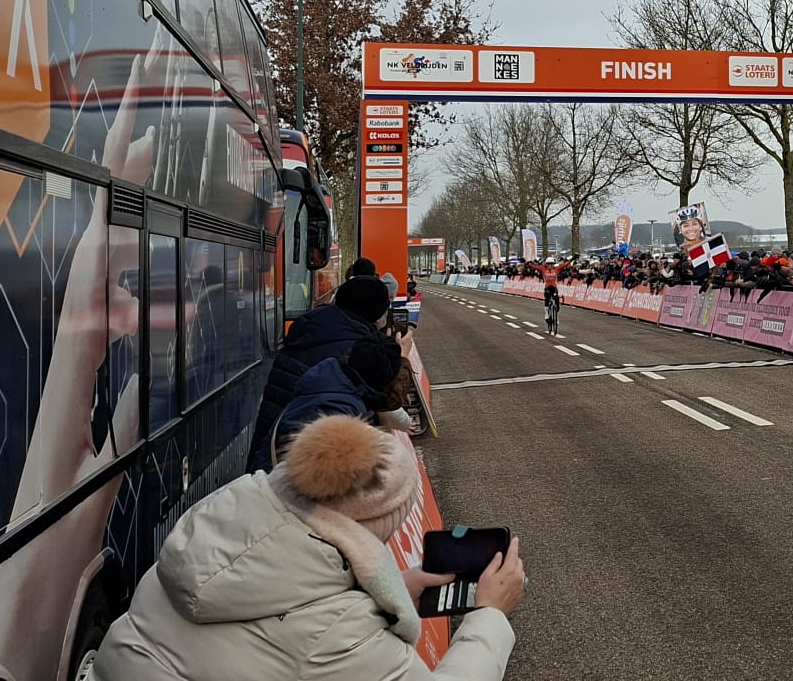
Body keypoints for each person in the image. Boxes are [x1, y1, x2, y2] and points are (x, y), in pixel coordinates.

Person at [94, 416, 523, 679]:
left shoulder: (203, 535)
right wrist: (488, 617)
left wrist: (396, 587)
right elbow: (307, 632)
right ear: (373, 527)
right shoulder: (335, 634)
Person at [250, 273, 393, 469]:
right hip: (302, 471)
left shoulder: (311, 327)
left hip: (268, 456)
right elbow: (375, 403)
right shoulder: (355, 351)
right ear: (375, 313)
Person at [250, 334, 410, 471]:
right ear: (381, 383)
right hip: (281, 496)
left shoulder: (331, 380)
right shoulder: (339, 409)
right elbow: (326, 479)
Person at [542, 259, 562, 336]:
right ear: (546, 264)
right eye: (548, 264)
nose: (550, 265)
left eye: (552, 264)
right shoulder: (543, 269)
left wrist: (573, 259)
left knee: (557, 300)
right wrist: (528, 264)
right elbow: (535, 267)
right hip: (547, 288)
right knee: (547, 299)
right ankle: (546, 314)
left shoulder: (556, 269)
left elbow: (564, 265)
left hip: (554, 288)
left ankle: (556, 317)